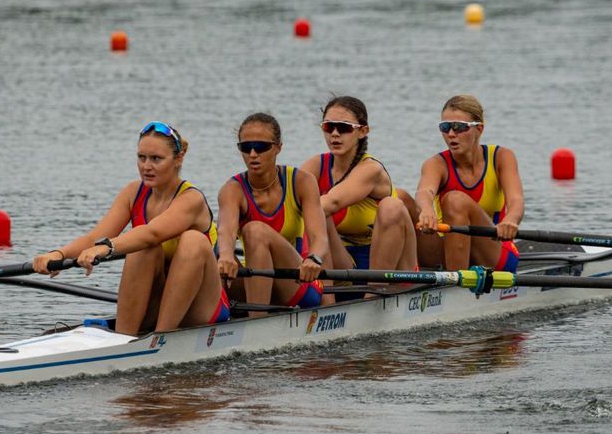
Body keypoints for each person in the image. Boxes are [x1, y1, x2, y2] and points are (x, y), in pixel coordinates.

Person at [32, 121, 229, 335]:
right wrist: (58, 254)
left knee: (190, 240)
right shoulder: (133, 193)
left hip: (201, 307)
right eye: (141, 157)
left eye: (156, 159)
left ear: (178, 159)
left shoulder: (191, 199)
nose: (146, 166)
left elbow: (152, 233)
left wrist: (106, 248)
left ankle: (161, 337)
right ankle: (124, 338)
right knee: (142, 248)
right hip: (159, 301)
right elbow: (95, 237)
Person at [300, 96, 417, 302]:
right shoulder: (316, 165)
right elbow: (289, 199)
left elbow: (332, 202)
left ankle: (373, 297)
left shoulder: (371, 169)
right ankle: (326, 303)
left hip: (391, 266)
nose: (335, 134)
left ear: (362, 131)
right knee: (316, 212)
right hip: (347, 262)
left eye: (344, 128)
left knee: (392, 206)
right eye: (329, 127)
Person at [217, 113, 329, 314]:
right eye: (246, 147)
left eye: (261, 147)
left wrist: (314, 259)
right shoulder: (232, 189)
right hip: (255, 281)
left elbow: (319, 238)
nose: (253, 154)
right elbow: (225, 231)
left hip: (298, 282)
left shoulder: (302, 182)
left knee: (254, 230)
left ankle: (256, 321)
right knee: (206, 249)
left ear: (278, 147)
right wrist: (225, 254)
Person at [415, 94, 524, 271]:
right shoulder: (436, 164)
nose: (451, 134)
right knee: (399, 200)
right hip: (447, 250)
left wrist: (511, 220)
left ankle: (456, 283)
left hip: (495, 251)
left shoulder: (501, 157)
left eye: (459, 127)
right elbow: (424, 191)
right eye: (445, 127)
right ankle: (386, 282)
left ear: (479, 129)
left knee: (455, 200)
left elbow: (516, 200)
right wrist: (426, 209)